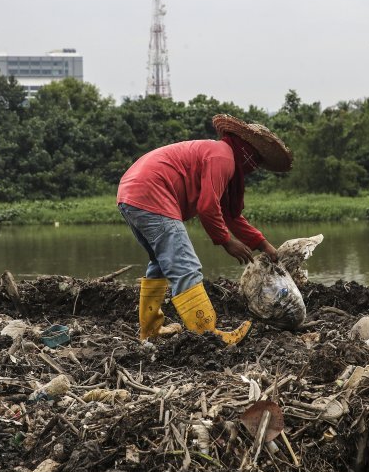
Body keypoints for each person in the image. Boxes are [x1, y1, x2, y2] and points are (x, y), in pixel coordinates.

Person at [117, 114, 293, 345]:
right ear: (247, 152)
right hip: (152, 192)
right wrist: (226, 241)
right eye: (256, 161)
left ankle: (150, 330)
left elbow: (229, 215)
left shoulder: (219, 155)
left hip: (131, 194)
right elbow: (207, 206)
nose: (254, 167)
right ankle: (208, 336)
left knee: (160, 264)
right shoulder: (223, 158)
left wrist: (263, 245)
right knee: (186, 267)